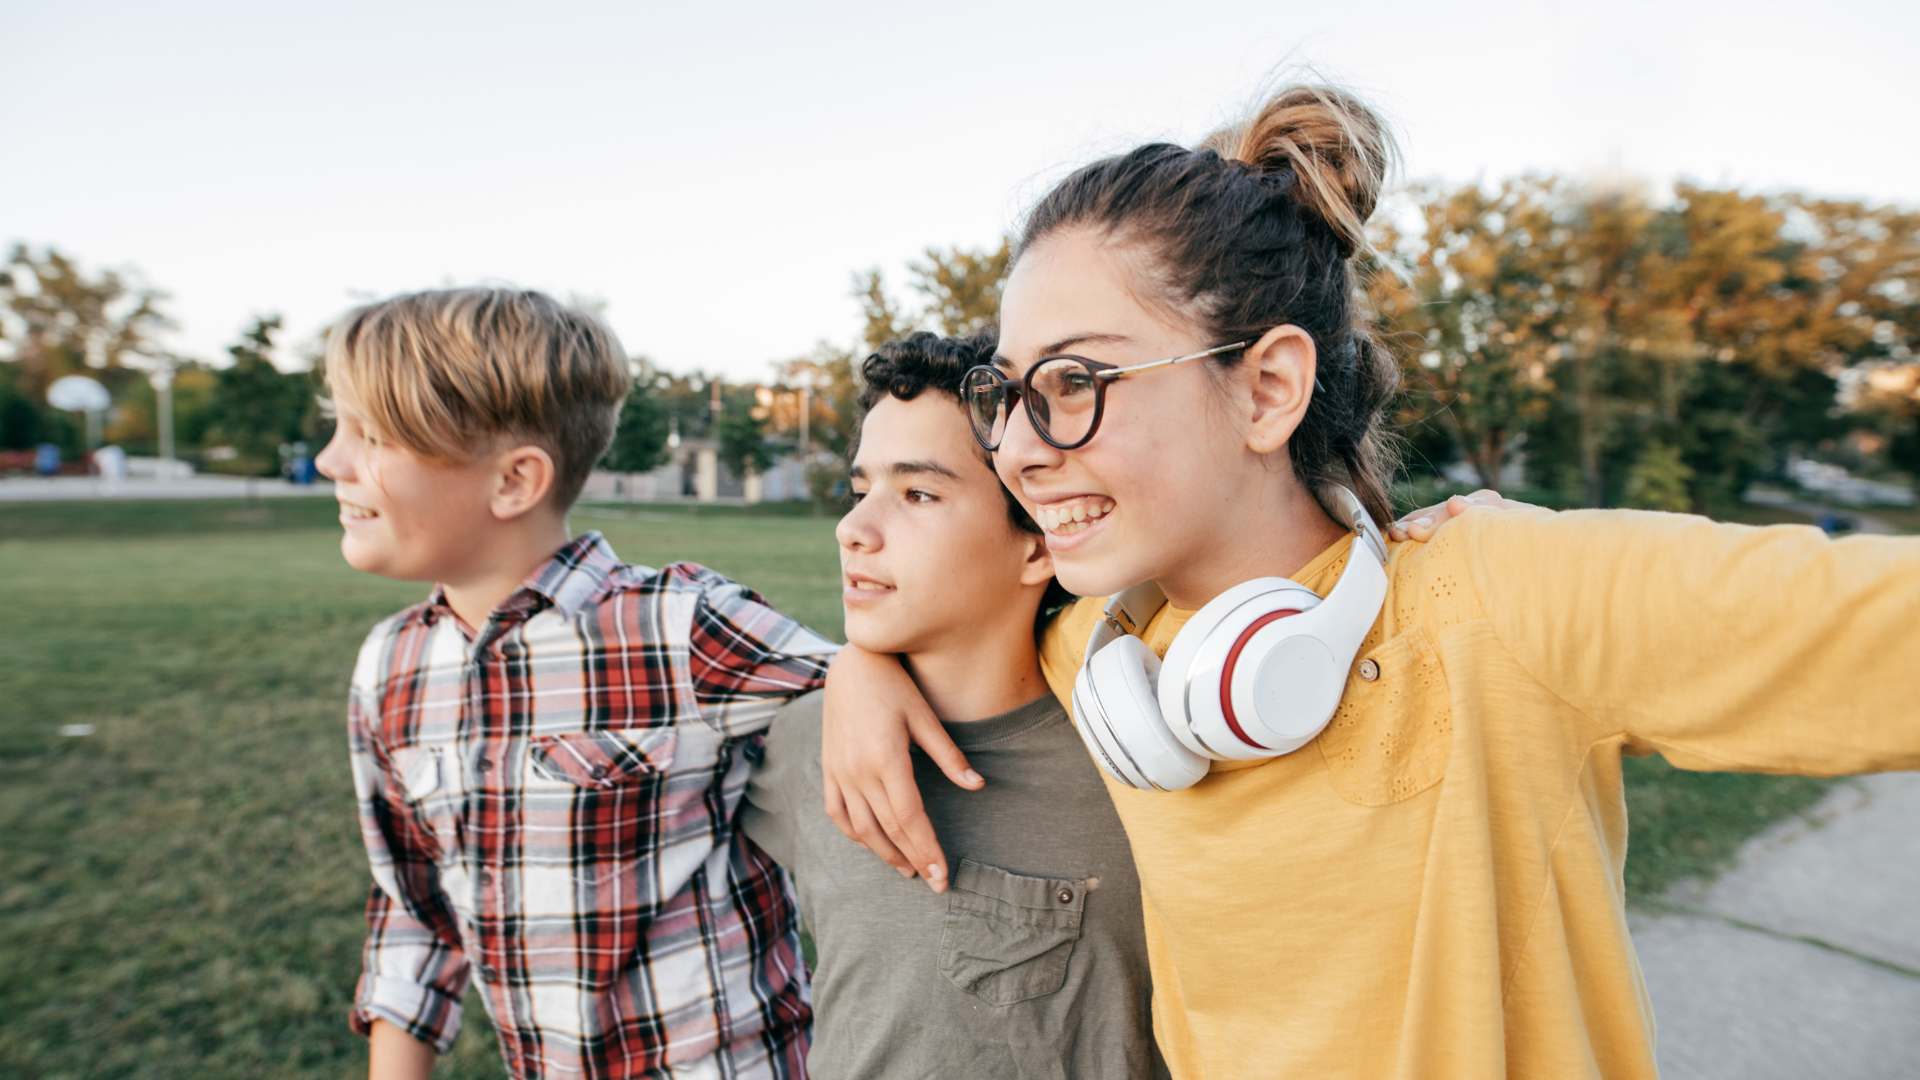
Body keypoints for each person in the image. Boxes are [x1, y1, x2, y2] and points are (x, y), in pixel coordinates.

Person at [819, 85, 1920, 1079]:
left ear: (1267, 391)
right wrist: (856, 674)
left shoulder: (1508, 597)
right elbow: (923, 588)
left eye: (1074, 380)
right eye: (1008, 392)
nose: (1017, 447)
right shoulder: (1097, 652)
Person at [314, 288, 836, 1080]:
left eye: (373, 434)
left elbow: (879, 682)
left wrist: (867, 684)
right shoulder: (389, 668)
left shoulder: (679, 625)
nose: (330, 460)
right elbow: (413, 909)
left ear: (514, 482)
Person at [738, 331, 1167, 1079]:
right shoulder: (797, 739)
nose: (853, 530)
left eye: (918, 493)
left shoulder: (1143, 753)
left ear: (1038, 542)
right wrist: (852, 667)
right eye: (859, 488)